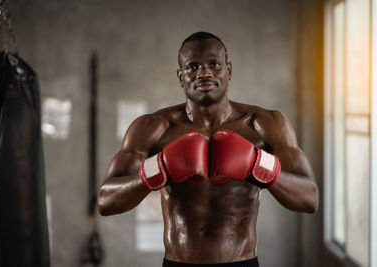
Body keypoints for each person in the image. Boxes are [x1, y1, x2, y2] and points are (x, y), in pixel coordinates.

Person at [97, 31, 319, 267]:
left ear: (229, 70)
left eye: (214, 64)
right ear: (181, 77)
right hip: (178, 263)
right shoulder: (153, 128)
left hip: (241, 262)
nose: (203, 73)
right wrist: (157, 169)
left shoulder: (265, 124)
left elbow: (309, 199)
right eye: (192, 67)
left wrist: (259, 166)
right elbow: (106, 202)